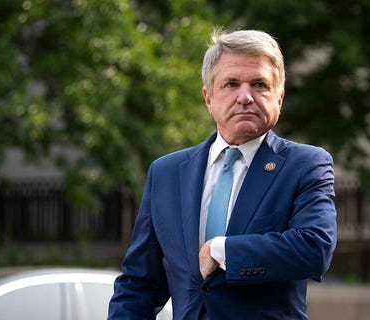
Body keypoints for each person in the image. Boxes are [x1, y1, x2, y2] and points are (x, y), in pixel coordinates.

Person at [108, 28, 337, 319]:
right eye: (231, 84)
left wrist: (222, 250)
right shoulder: (166, 173)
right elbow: (140, 284)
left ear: (279, 98)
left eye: (259, 84)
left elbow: (314, 248)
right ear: (208, 98)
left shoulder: (304, 165)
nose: (245, 97)